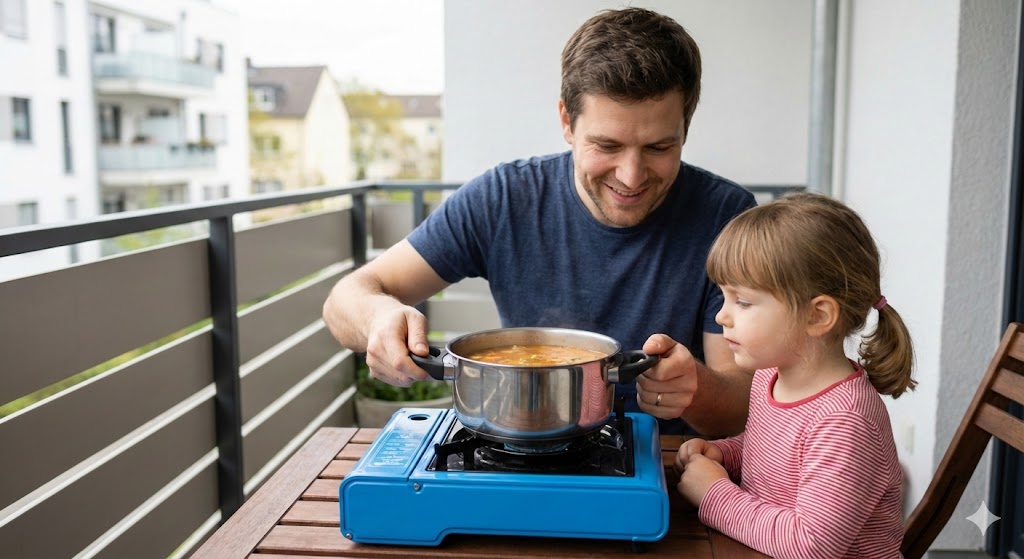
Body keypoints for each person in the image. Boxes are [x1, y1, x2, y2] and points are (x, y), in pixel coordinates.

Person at [322, 7, 757, 436]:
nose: (631, 175)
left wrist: (694, 391)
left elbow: (740, 406)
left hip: (676, 468)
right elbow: (344, 300)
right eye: (606, 145)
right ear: (567, 121)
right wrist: (379, 317)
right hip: (522, 446)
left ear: (685, 128)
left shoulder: (729, 218)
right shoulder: (503, 199)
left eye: (659, 148)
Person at [675, 192, 916, 558]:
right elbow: (778, 457)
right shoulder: (770, 376)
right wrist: (726, 454)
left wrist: (714, 494)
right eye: (722, 297)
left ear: (817, 316)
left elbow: (810, 545)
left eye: (741, 301)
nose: (722, 316)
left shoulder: (845, 421)